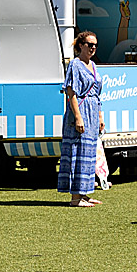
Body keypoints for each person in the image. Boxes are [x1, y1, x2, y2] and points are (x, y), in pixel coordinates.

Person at [59, 31, 106, 207]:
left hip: (93, 114)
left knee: (89, 154)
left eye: (95, 45)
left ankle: (84, 194)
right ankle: (75, 198)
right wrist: (78, 118)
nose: (93, 48)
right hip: (80, 112)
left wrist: (100, 117)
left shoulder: (93, 65)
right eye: (89, 44)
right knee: (77, 154)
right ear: (81, 45)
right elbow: (71, 93)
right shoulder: (75, 65)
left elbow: (97, 94)